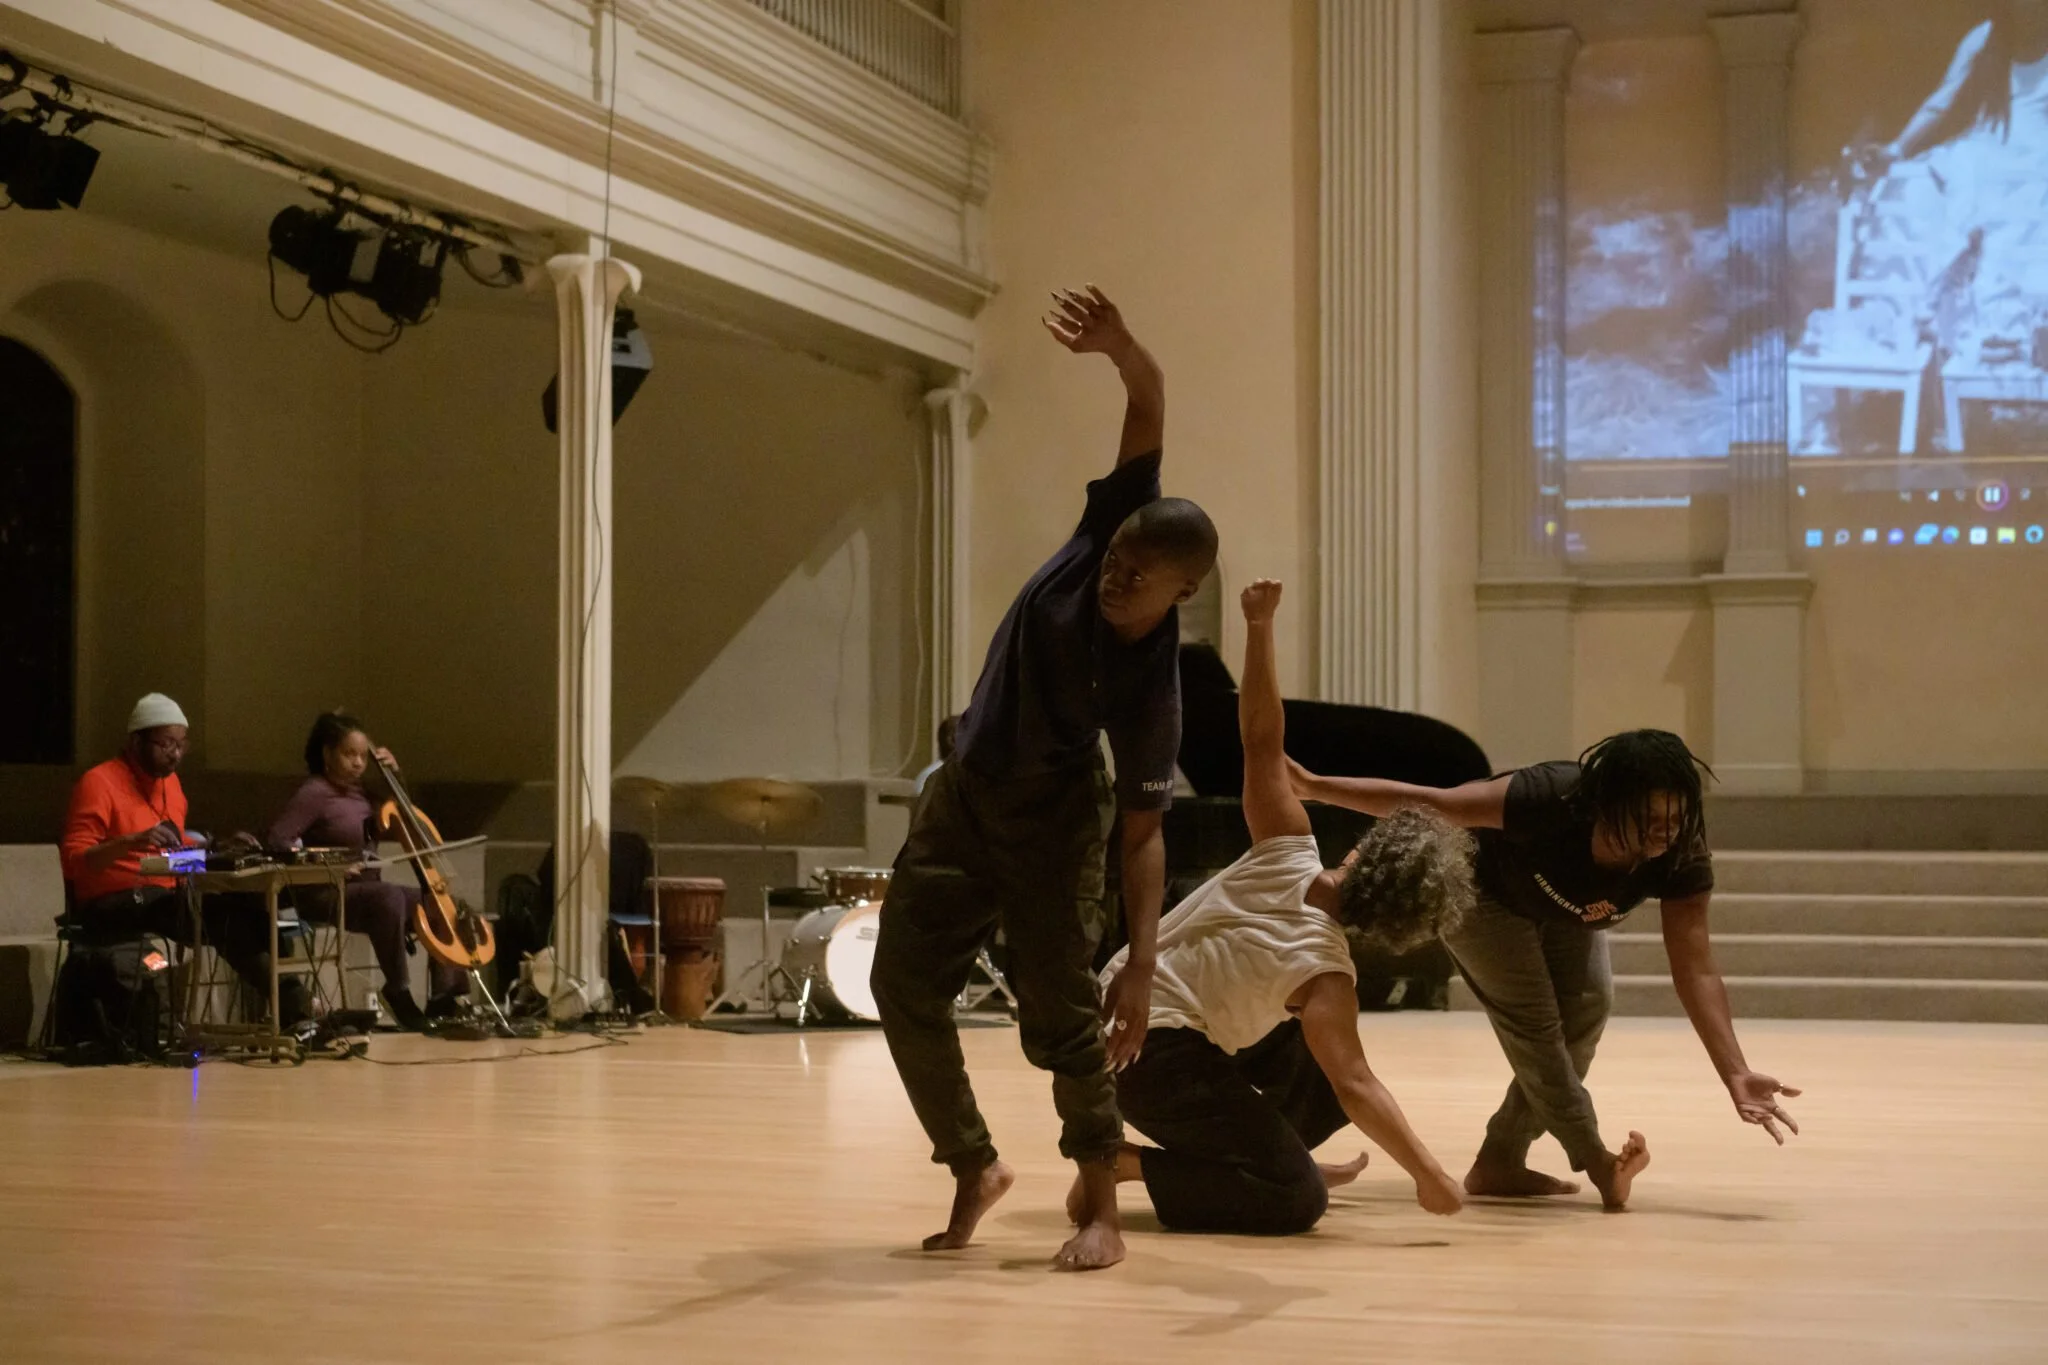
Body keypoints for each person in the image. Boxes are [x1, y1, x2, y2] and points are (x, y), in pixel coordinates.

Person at [871, 284, 1216, 1271]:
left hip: (1052, 823)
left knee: (1061, 1024)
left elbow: (1145, 835)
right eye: (1115, 557)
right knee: (902, 984)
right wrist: (1119, 345)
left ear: (1179, 593)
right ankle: (972, 1165)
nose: (1114, 574)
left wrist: (1142, 966)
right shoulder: (1108, 527)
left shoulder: (1150, 688)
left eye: (1138, 573)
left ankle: (1099, 1209)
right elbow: (1148, 402)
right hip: (961, 796)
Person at [1090, 580, 1466, 1235]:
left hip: (1122, 1000)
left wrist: (1259, 626)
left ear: (1367, 852)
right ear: (1397, 924)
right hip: (1144, 1049)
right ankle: (1119, 1162)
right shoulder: (1326, 975)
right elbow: (1360, 1084)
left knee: (1321, 1077)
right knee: (1296, 1197)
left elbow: (1262, 738)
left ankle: (1264, 1153)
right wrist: (1429, 1173)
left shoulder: (1286, 849)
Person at [1291, 730, 1802, 1211]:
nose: (1664, 832)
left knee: (1589, 1010)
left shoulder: (1679, 850)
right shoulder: (1546, 798)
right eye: (1648, 818)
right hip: (1483, 894)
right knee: (1534, 1025)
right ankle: (1599, 1162)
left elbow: (1696, 969)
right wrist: (1313, 787)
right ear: (1603, 808)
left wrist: (1734, 1071)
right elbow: (1431, 804)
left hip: (1563, 909)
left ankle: (1500, 1161)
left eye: (1675, 817)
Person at [59, 693, 302, 1021]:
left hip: (162, 892)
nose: (175, 754)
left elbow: (172, 858)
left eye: (181, 745)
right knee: (215, 915)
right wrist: (130, 841)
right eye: (166, 744)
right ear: (136, 741)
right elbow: (74, 861)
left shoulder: (170, 784)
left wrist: (218, 851)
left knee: (253, 907)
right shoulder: (98, 782)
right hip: (108, 902)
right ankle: (297, 1007)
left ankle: (290, 1012)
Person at [268, 712, 468, 1032]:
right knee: (387, 896)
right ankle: (398, 990)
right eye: (350, 754)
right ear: (327, 754)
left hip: (366, 892)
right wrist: (329, 864)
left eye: (363, 756)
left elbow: (403, 813)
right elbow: (279, 839)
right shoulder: (314, 792)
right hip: (324, 894)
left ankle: (446, 996)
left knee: (441, 902)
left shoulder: (362, 793)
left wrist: (394, 775)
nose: (359, 763)